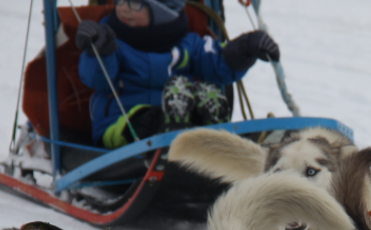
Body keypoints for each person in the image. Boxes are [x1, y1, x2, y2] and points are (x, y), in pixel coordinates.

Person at [74, 0, 279, 148]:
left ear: (162, 11)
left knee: (202, 91)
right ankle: (171, 132)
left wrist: (246, 47)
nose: (123, 7)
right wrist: (98, 51)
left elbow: (219, 63)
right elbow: (97, 80)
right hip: (121, 123)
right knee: (151, 117)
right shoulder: (110, 40)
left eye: (135, 3)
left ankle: (212, 133)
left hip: (179, 115)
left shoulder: (187, 44)